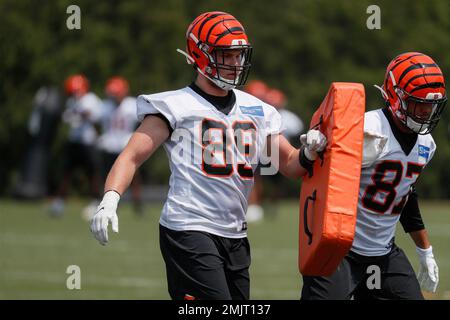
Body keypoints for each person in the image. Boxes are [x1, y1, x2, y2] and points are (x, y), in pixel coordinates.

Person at [90, 11, 327, 300]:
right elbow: (131, 156)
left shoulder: (258, 109)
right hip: (189, 229)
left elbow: (290, 165)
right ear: (200, 55)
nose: (235, 63)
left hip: (235, 234)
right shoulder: (176, 105)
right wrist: (110, 199)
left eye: (239, 54)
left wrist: (310, 151)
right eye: (225, 55)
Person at [301, 52, 447, 300]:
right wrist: (316, 148)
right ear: (396, 96)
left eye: (430, 106)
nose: (424, 113)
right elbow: (319, 175)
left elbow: (405, 196)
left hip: (384, 255)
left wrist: (425, 251)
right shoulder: (365, 128)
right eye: (418, 104)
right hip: (339, 251)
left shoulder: (427, 145)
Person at [50, 74, 102, 217]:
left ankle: (95, 201)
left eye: (76, 90)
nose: (74, 93)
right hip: (74, 141)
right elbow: (67, 118)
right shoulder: (72, 102)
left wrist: (79, 112)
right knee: (66, 172)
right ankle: (59, 202)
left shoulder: (90, 99)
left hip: (88, 142)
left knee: (92, 173)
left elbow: (93, 116)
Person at [97, 76, 143, 216]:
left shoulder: (131, 104)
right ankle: (109, 202)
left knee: (133, 177)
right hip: (109, 145)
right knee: (108, 176)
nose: (115, 96)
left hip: (126, 145)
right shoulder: (105, 106)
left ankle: (137, 203)